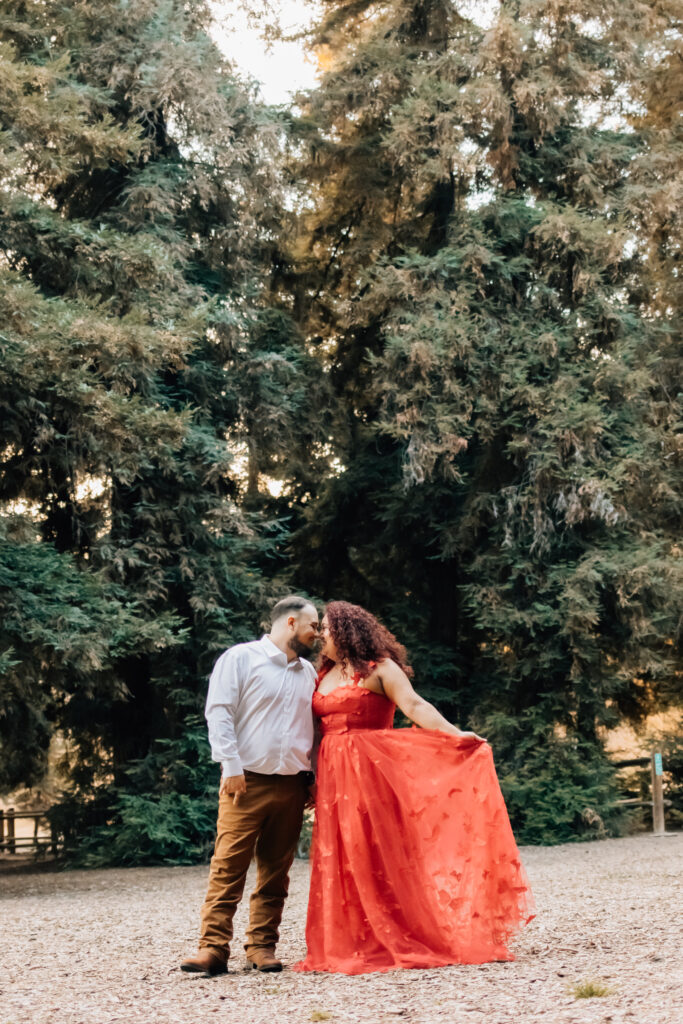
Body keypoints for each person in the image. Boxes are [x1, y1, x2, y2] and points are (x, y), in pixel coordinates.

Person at [294, 601, 534, 975]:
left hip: (372, 772)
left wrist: (455, 735)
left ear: (346, 631)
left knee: (377, 849)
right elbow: (310, 730)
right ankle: (353, 938)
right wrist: (310, 776)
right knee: (341, 851)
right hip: (333, 775)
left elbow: (414, 705)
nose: (321, 634)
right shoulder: (320, 674)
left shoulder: (381, 669)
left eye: (326, 628)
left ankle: (399, 932)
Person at [181, 595, 319, 976]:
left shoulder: (308, 673)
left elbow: (315, 730)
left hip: (293, 787)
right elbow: (219, 711)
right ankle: (212, 949)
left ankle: (262, 947)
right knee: (228, 866)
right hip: (246, 781)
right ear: (291, 622)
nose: (317, 633)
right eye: (313, 625)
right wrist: (231, 765)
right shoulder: (240, 658)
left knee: (277, 871)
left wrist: (311, 776)